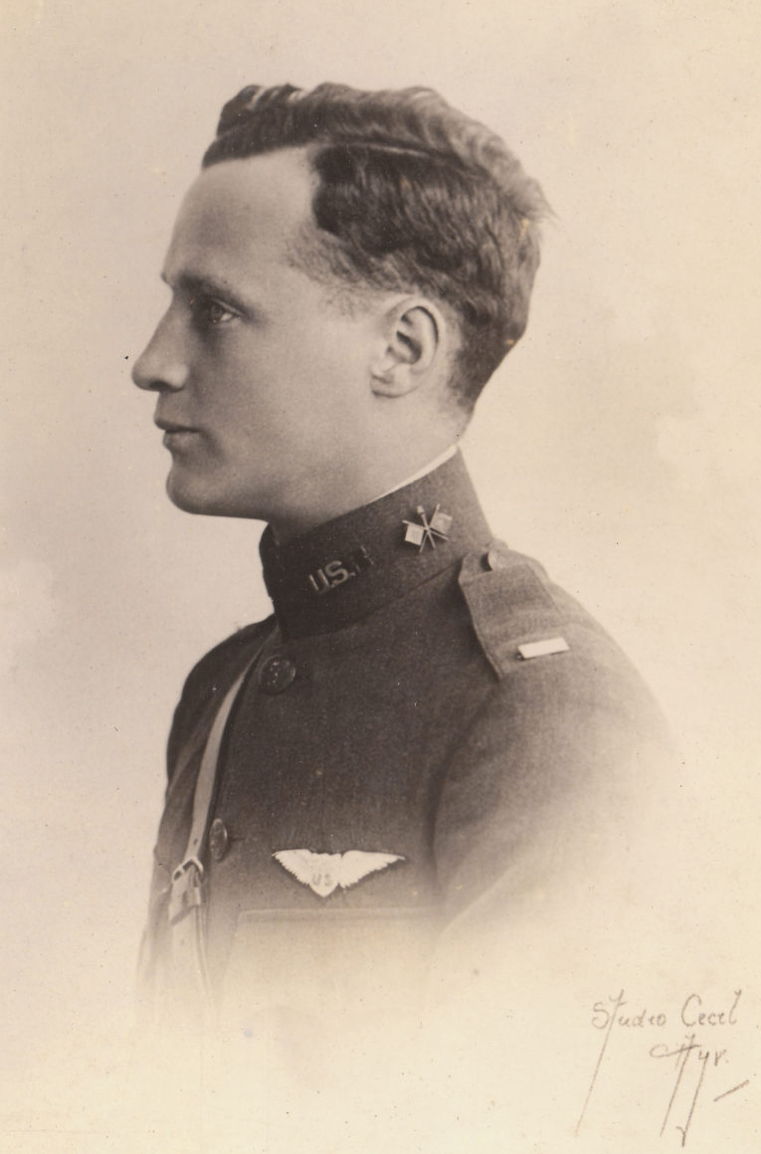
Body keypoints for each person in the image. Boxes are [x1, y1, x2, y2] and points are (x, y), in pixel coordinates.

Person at [132, 82, 668, 1036]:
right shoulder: (222, 689)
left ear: (402, 349)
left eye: (213, 311)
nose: (153, 362)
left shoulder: (540, 720)